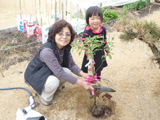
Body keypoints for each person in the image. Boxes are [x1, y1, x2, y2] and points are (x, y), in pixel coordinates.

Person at [24, 20, 95, 106]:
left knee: (67, 72)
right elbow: (60, 73)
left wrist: (84, 74)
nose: (64, 37)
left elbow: (71, 64)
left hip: (47, 71)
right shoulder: (47, 51)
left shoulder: (64, 47)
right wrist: (83, 83)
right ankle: (44, 96)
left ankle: (53, 88)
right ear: (54, 35)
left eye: (68, 34)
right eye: (60, 33)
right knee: (54, 81)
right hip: (36, 76)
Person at [81, 6, 108, 78]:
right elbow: (87, 47)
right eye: (92, 19)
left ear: (101, 19)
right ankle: (90, 82)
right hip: (91, 55)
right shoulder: (87, 32)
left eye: (98, 18)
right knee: (90, 69)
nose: (95, 21)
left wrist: (107, 49)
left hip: (100, 54)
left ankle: (97, 80)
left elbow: (104, 40)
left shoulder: (103, 29)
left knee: (98, 68)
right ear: (88, 20)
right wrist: (90, 59)